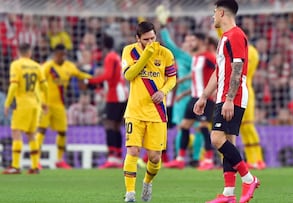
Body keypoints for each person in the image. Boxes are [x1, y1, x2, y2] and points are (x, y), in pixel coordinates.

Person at [193, 1, 259, 202]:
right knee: (229, 142)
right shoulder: (224, 38)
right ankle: (229, 193)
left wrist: (230, 99)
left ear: (222, 13)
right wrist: (204, 96)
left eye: (214, 13)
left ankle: (249, 178)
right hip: (223, 95)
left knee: (216, 138)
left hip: (233, 96)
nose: (213, 17)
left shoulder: (236, 35)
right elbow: (218, 71)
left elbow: (238, 67)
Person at [121, 21, 176, 202]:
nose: (151, 42)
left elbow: (172, 78)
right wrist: (145, 56)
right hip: (134, 111)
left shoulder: (165, 53)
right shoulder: (129, 51)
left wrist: (163, 91)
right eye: (146, 39)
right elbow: (129, 75)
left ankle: (147, 182)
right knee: (133, 151)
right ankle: (130, 194)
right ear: (138, 39)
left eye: (153, 38)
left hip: (157, 113)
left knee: (154, 157)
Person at [164, 33, 216, 171]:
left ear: (202, 42)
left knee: (203, 127)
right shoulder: (195, 59)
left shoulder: (209, 58)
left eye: (194, 41)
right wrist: (183, 94)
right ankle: (180, 159)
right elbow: (195, 80)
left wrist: (217, 91)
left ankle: (209, 159)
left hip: (205, 99)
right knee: (184, 126)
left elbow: (219, 74)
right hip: (193, 98)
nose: (190, 44)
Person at [36, 44, 92, 169]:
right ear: (55, 54)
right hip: (45, 104)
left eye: (64, 54)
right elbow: (38, 84)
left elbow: (80, 75)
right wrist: (41, 101)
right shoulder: (47, 67)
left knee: (62, 132)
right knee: (41, 130)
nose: (63, 57)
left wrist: (95, 79)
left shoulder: (69, 66)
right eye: (60, 54)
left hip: (59, 105)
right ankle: (36, 161)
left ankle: (59, 160)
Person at [2, 43, 48, 174]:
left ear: (18, 51)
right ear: (30, 52)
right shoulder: (37, 66)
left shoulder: (16, 65)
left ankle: (15, 166)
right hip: (35, 104)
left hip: (22, 103)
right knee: (31, 135)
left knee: (16, 132)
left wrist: (7, 103)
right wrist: (45, 103)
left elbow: (14, 86)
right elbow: (45, 87)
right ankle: (34, 166)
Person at [85, 35, 128, 169]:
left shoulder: (110, 57)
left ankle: (112, 157)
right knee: (115, 125)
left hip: (115, 94)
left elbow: (108, 76)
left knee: (110, 124)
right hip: (122, 92)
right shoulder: (115, 56)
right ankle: (118, 156)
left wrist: (91, 80)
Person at [240, 29, 266, 170]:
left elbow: (244, 71)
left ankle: (259, 159)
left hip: (246, 91)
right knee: (243, 128)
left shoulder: (250, 51)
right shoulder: (241, 50)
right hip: (238, 91)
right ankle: (251, 160)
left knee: (249, 125)